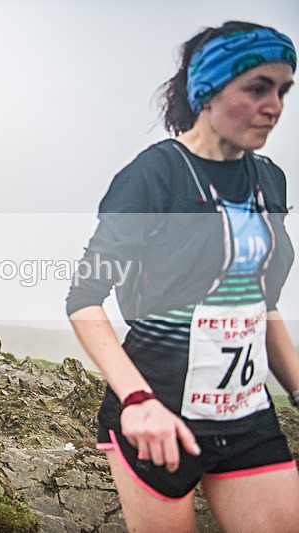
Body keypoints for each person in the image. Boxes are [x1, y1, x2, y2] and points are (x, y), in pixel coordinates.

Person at [66, 22, 299, 531]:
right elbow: (85, 299)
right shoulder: (154, 176)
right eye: (257, 88)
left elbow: (264, 306)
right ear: (208, 89)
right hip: (158, 412)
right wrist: (138, 401)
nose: (275, 106)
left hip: (246, 412)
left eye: (283, 90)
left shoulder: (270, 180)